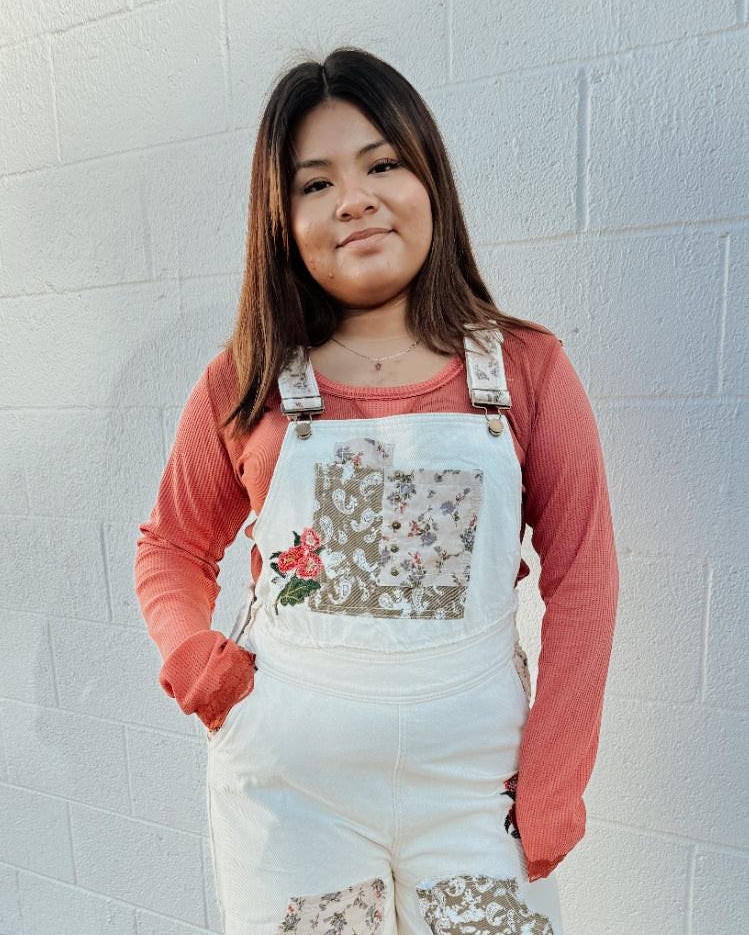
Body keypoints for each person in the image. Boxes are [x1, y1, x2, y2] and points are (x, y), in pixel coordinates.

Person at [135, 47, 618, 935]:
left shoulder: (524, 370)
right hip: (295, 789)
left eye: (381, 164)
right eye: (314, 184)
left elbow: (583, 579)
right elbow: (170, 545)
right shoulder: (244, 383)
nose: (352, 198)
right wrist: (194, 659)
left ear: (428, 177)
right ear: (279, 220)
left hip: (479, 784)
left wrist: (556, 771)